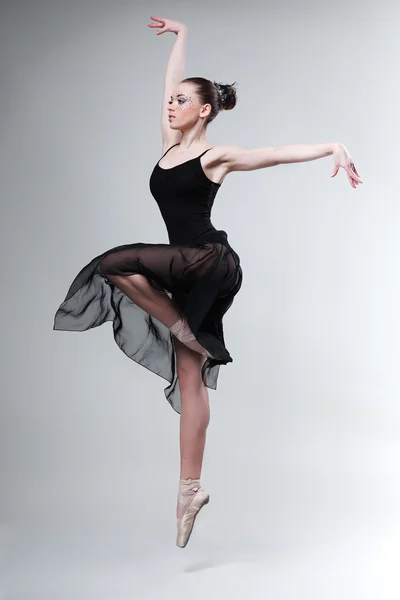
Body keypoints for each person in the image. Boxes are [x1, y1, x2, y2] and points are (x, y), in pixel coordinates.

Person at [53, 15, 363, 548]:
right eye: (169, 100)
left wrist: (330, 145)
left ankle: (182, 328)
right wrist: (182, 38)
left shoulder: (212, 156)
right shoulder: (167, 145)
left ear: (203, 110)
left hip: (209, 259)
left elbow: (270, 154)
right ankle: (188, 491)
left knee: (112, 263)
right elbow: (167, 84)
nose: (170, 105)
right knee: (190, 375)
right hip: (187, 269)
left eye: (181, 101)